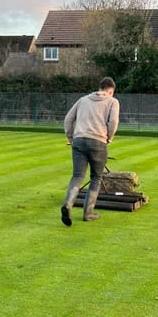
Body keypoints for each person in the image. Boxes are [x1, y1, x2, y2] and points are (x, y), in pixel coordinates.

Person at [61, 77, 120, 225]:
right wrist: (109, 138)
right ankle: (88, 213)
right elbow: (113, 122)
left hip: (79, 140)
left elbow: (68, 119)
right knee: (96, 178)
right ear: (110, 90)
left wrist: (70, 137)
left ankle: (68, 203)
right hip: (98, 141)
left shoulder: (82, 100)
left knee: (77, 176)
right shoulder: (112, 101)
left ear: (99, 87)